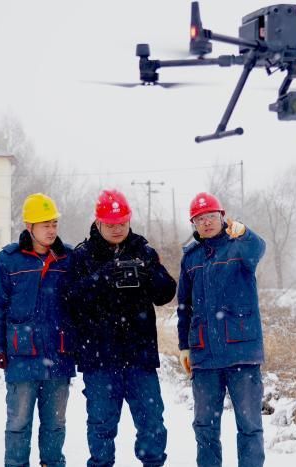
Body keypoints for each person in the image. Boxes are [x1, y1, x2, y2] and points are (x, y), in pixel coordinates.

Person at [65, 189, 176, 467]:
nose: (117, 229)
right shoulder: (82, 256)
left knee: (152, 424)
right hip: (99, 358)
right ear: (98, 222)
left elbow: (165, 293)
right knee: (101, 427)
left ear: (129, 221)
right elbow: (71, 300)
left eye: (122, 224)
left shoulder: (144, 251)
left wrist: (147, 273)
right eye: (111, 224)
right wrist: (103, 277)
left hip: (140, 357)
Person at [0, 192, 75, 467]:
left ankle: (52, 463)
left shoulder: (68, 258)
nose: (51, 230)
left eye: (54, 224)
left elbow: (81, 304)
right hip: (22, 355)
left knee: (55, 424)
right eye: (44, 224)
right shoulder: (7, 261)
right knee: (19, 422)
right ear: (29, 227)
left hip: (59, 354)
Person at [177, 192, 267, 467]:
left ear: (222, 216)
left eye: (211, 217)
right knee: (204, 427)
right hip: (205, 358)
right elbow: (184, 306)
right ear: (194, 223)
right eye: (200, 219)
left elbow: (258, 249)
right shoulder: (190, 258)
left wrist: (246, 233)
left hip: (242, 353)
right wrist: (184, 346)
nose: (206, 223)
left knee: (249, 425)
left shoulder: (239, 246)